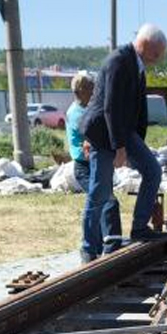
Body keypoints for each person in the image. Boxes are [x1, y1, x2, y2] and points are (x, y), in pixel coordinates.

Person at [81, 23, 167, 261]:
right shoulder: (119, 61)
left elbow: (138, 109)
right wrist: (119, 148)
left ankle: (139, 227)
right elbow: (110, 108)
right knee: (100, 191)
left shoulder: (137, 64)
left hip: (124, 131)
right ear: (146, 45)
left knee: (152, 170)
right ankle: (89, 249)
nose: (158, 60)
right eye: (157, 54)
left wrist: (137, 144)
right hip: (103, 132)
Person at [66, 72, 121, 247]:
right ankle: (108, 245)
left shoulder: (87, 108)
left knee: (103, 202)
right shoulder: (76, 113)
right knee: (106, 201)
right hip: (85, 167)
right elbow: (91, 132)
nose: (94, 91)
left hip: (96, 164)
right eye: (91, 88)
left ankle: (103, 244)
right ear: (81, 90)